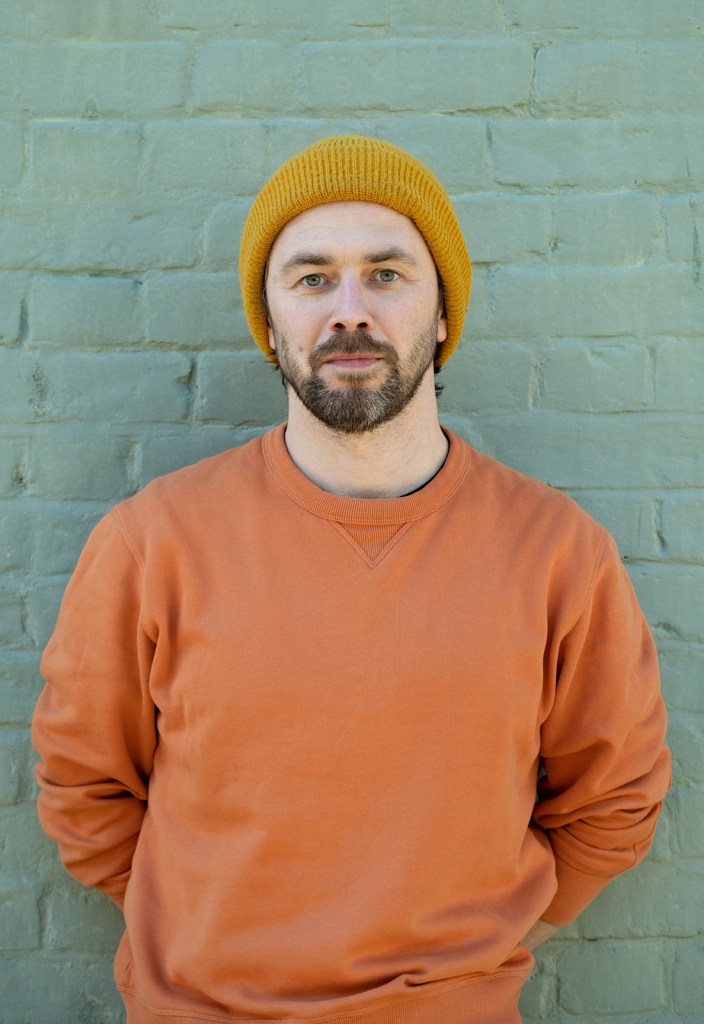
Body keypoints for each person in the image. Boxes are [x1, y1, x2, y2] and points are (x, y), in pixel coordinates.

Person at [33, 136, 671, 1024]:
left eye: (386, 274)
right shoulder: (155, 543)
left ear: (445, 312)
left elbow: (614, 802)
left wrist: (474, 945)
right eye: (311, 278)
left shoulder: (558, 553)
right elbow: (85, 789)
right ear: (268, 325)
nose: (349, 310)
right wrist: (204, 929)